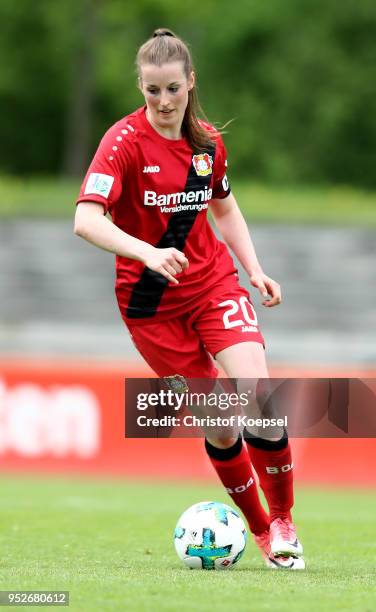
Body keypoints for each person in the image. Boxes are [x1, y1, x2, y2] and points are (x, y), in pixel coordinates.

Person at [74, 28, 305, 570]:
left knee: (259, 398)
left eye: (172, 89)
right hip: (152, 306)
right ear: (141, 86)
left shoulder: (207, 144)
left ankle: (285, 520)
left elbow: (224, 208)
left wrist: (255, 270)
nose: (162, 102)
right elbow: (85, 219)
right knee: (221, 422)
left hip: (212, 285)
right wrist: (147, 253)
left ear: (190, 83)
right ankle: (260, 531)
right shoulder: (124, 143)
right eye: (151, 90)